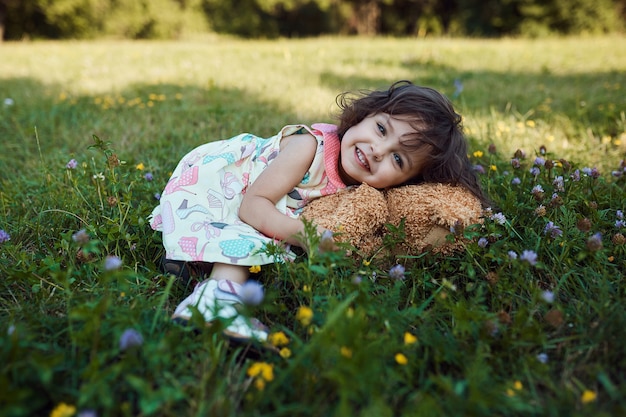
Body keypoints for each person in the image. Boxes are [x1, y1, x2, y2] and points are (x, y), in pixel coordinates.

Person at [150, 80, 487, 341]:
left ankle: (191, 264)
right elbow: (253, 207)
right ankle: (213, 300)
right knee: (251, 234)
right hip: (220, 187)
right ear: (365, 114)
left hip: (258, 203)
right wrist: (307, 238)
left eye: (398, 159)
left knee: (274, 246)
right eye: (382, 129)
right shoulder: (309, 147)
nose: (377, 150)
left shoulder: (362, 190)